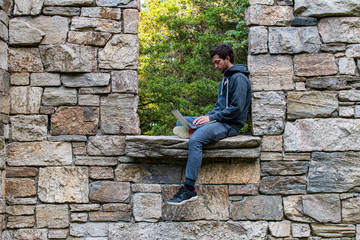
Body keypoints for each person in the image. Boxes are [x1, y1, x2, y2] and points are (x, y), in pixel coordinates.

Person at [167, 44, 251, 205]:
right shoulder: (225, 79)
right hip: (219, 120)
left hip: (230, 124)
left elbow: (237, 109)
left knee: (196, 140)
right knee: (182, 121)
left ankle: (189, 188)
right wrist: (206, 117)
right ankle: (196, 129)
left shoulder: (239, 78)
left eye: (218, 62)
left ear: (228, 58)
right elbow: (219, 108)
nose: (215, 66)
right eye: (214, 63)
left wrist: (212, 119)